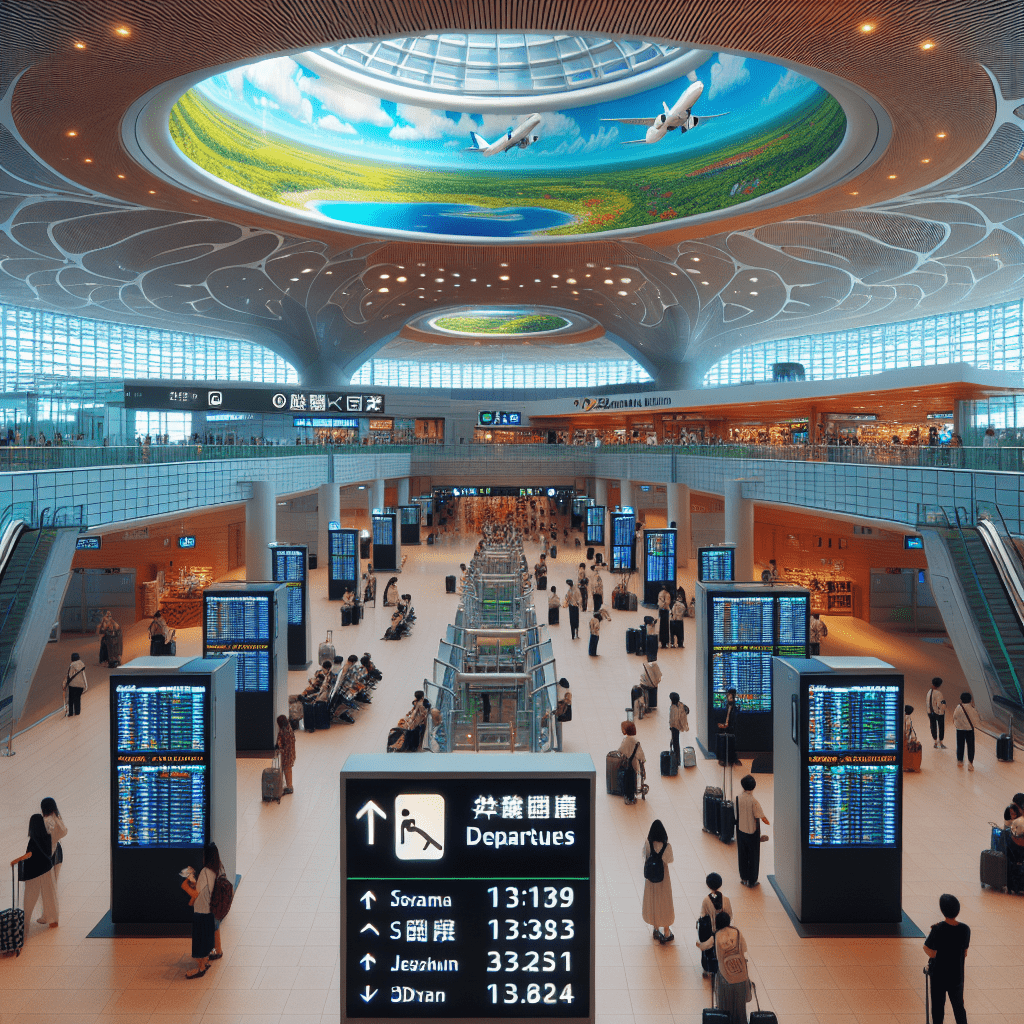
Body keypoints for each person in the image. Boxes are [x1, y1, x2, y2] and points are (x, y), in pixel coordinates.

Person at [924, 893, 970, 1024]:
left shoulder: (937, 929)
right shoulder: (965, 929)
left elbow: (928, 949)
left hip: (939, 976)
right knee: (959, 1008)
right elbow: (965, 952)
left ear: (942, 910)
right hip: (957, 976)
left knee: (938, 1008)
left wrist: (939, 955)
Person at [698, 911, 749, 1024]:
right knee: (740, 1008)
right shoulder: (737, 932)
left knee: (725, 1005)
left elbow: (703, 946)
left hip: (725, 977)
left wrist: (698, 944)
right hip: (741, 974)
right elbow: (744, 949)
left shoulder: (716, 936)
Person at [181, 842, 222, 978]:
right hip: (211, 909)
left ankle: (201, 967)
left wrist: (186, 884)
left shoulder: (205, 871)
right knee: (207, 937)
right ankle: (205, 961)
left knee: (199, 940)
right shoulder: (218, 868)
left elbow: (196, 893)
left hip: (202, 910)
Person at [22, 813, 58, 929]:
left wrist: (19, 860)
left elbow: (29, 854)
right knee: (49, 895)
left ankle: (25, 920)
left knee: (30, 897)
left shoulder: (33, 840)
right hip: (47, 868)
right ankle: (54, 920)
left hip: (34, 871)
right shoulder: (47, 836)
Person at [641, 819, 674, 944]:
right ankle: (666, 930)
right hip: (663, 878)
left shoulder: (648, 843)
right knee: (665, 902)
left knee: (653, 900)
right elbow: (670, 859)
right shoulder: (667, 846)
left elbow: (644, 855)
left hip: (651, 879)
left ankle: (655, 928)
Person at [736, 775, 770, 887]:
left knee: (742, 855)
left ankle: (744, 877)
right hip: (752, 833)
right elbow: (760, 816)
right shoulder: (754, 801)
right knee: (753, 857)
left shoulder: (738, 798)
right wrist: (767, 821)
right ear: (754, 787)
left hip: (741, 830)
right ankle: (752, 880)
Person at [697, 872, 733, 977]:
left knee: (709, 950)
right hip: (723, 930)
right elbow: (730, 914)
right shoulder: (726, 899)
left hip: (710, 931)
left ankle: (707, 969)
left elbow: (703, 915)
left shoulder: (706, 900)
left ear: (708, 885)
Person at [617, 721, 645, 805]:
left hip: (626, 764)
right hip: (634, 764)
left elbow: (620, 750)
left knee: (627, 780)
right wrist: (643, 761)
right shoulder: (636, 741)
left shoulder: (625, 741)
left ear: (625, 730)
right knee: (633, 780)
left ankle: (627, 796)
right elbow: (640, 755)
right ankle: (632, 797)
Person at [41, 797, 67, 883]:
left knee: (50, 883)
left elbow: (63, 831)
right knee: (53, 882)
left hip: (51, 852)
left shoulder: (48, 820)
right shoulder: (54, 819)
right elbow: (64, 831)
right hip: (55, 851)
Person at [953, 692, 980, 770]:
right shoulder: (972, 708)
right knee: (971, 746)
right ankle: (970, 763)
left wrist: (957, 725)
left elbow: (955, 717)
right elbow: (976, 718)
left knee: (960, 745)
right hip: (969, 730)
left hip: (960, 729)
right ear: (970, 700)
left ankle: (960, 761)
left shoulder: (958, 707)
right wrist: (973, 725)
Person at [717, 688, 741, 766]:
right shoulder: (726, 706)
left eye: (730, 695)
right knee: (723, 740)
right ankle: (723, 759)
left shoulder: (735, 707)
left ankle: (730, 759)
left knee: (731, 742)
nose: (729, 697)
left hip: (732, 727)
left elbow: (734, 719)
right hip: (726, 726)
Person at [275, 715, 295, 795]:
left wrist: (279, 748)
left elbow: (284, 746)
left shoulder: (285, 732)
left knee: (287, 770)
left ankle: (289, 787)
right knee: (288, 769)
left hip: (287, 755)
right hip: (290, 753)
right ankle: (289, 785)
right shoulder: (288, 727)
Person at [63, 652, 87, 717]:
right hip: (80, 685)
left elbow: (69, 675)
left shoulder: (72, 665)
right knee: (78, 699)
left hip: (72, 685)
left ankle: (70, 713)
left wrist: (64, 684)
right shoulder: (82, 664)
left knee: (71, 699)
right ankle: (77, 712)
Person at [668, 692, 688, 766]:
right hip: (676, 727)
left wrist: (671, 726)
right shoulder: (680, 705)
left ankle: (677, 760)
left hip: (675, 728)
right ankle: (677, 759)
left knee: (675, 743)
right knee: (675, 743)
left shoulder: (674, 707)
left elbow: (673, 718)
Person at [927, 677, 947, 749]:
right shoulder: (938, 693)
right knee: (941, 727)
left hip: (930, 712)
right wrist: (944, 707)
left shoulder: (929, 692)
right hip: (938, 713)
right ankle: (941, 742)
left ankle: (935, 742)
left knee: (933, 727)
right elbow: (940, 704)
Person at [555, 678, 572, 751]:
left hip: (560, 713)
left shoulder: (559, 689)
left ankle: (559, 747)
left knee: (558, 725)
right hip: (562, 712)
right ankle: (559, 747)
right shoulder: (567, 692)